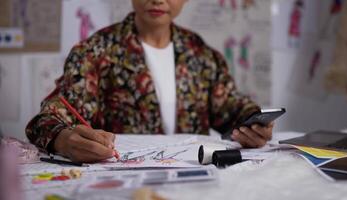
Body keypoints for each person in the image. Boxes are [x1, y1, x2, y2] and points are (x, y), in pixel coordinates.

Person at [25, 0, 273, 163]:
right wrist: (63, 140)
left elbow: (231, 109)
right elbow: (47, 120)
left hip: (195, 176)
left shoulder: (201, 54)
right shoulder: (95, 52)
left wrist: (253, 124)